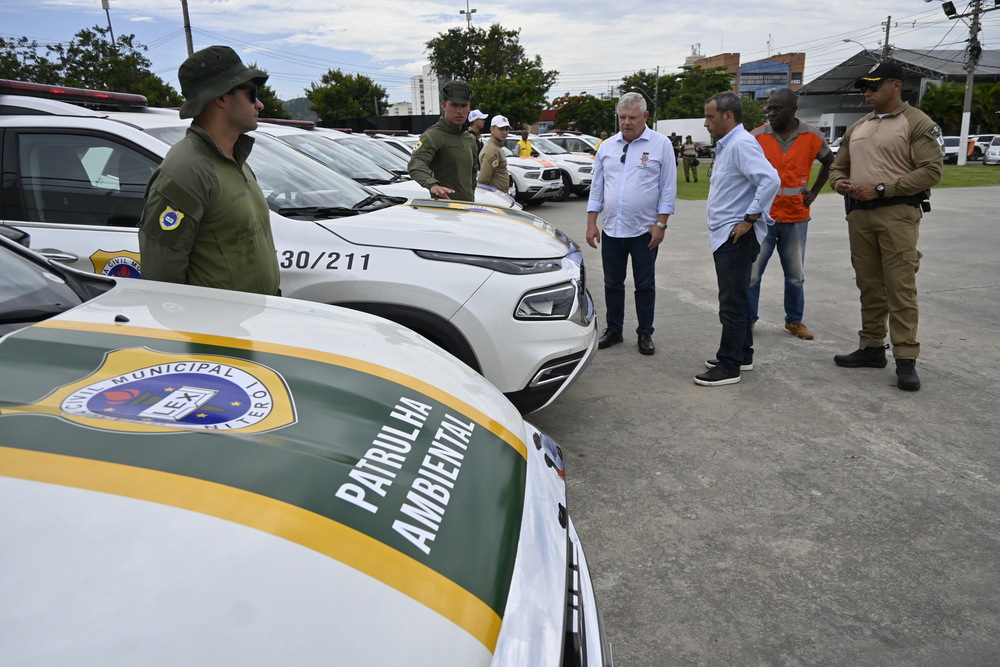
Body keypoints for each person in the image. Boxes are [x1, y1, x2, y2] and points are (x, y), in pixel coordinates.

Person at [829, 62, 944, 391]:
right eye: (864, 87)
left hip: (896, 213)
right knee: (869, 284)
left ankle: (906, 358)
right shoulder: (859, 126)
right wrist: (841, 184)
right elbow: (838, 168)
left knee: (900, 287)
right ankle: (871, 347)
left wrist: (883, 188)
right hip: (859, 215)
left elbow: (931, 171)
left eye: (873, 86)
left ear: (896, 85)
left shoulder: (916, 123)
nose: (867, 92)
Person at [138, 45, 279, 296]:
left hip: (252, 322)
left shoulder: (235, 160)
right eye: (252, 93)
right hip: (217, 329)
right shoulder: (187, 170)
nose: (260, 104)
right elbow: (162, 279)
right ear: (221, 97)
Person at [696, 90, 780, 386]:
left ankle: (728, 364)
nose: (706, 123)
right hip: (726, 235)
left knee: (731, 302)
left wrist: (750, 219)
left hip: (735, 236)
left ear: (727, 116)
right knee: (738, 298)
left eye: (710, 116)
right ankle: (742, 354)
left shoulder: (742, 143)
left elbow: (770, 180)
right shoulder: (730, 144)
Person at [585, 92, 676, 356]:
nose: (626, 122)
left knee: (644, 284)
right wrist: (592, 223)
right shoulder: (607, 146)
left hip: (644, 231)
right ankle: (614, 329)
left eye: (632, 117)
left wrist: (661, 224)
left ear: (645, 117)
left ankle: (645, 332)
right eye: (622, 117)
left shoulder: (661, 145)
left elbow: (668, 189)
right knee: (612, 284)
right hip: (612, 229)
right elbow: (597, 188)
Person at [749, 88, 835, 341]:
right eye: (769, 108)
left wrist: (815, 192)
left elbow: (831, 162)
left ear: (793, 110)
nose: (771, 112)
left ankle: (794, 321)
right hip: (764, 218)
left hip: (796, 217)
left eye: (777, 108)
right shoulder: (756, 137)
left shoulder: (812, 136)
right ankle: (748, 319)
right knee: (752, 274)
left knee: (795, 275)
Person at [407, 80, 479, 202]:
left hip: (467, 208)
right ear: (444, 105)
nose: (460, 111)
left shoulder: (469, 138)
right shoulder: (433, 135)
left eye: (464, 106)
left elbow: (473, 173)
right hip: (444, 211)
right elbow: (416, 163)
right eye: (454, 105)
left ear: (469, 107)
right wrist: (432, 185)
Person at [478, 114, 511, 192]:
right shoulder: (491, 150)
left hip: (499, 196)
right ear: (492, 129)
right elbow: (483, 180)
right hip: (495, 197)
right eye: (501, 129)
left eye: (506, 129)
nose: (504, 132)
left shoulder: (496, 147)